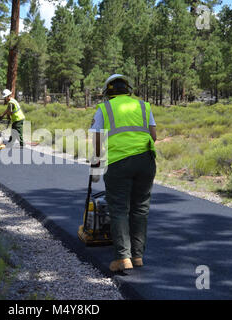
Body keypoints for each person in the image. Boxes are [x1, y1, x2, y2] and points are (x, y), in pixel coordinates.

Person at [89, 74, 157, 272]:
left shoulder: (105, 108)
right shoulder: (144, 106)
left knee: (119, 208)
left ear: (108, 93)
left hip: (119, 162)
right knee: (140, 208)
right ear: (128, 90)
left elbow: (96, 140)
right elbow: (154, 135)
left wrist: (96, 167)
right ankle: (137, 256)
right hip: (146, 161)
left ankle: (122, 258)